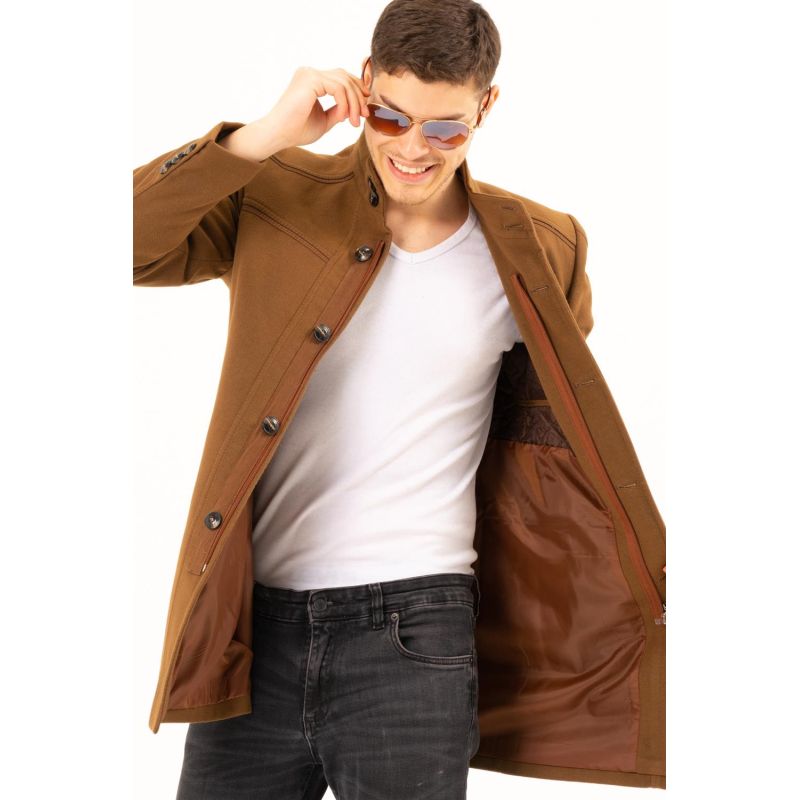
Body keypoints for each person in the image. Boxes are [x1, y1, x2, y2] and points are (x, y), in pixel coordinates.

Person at [134, 1, 666, 797]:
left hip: (417, 630)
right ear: (365, 81)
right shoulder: (274, 194)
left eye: (446, 129)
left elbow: (546, 440)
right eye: (391, 117)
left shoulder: (540, 248)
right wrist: (261, 137)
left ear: (487, 107)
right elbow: (124, 244)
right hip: (254, 630)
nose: (414, 149)